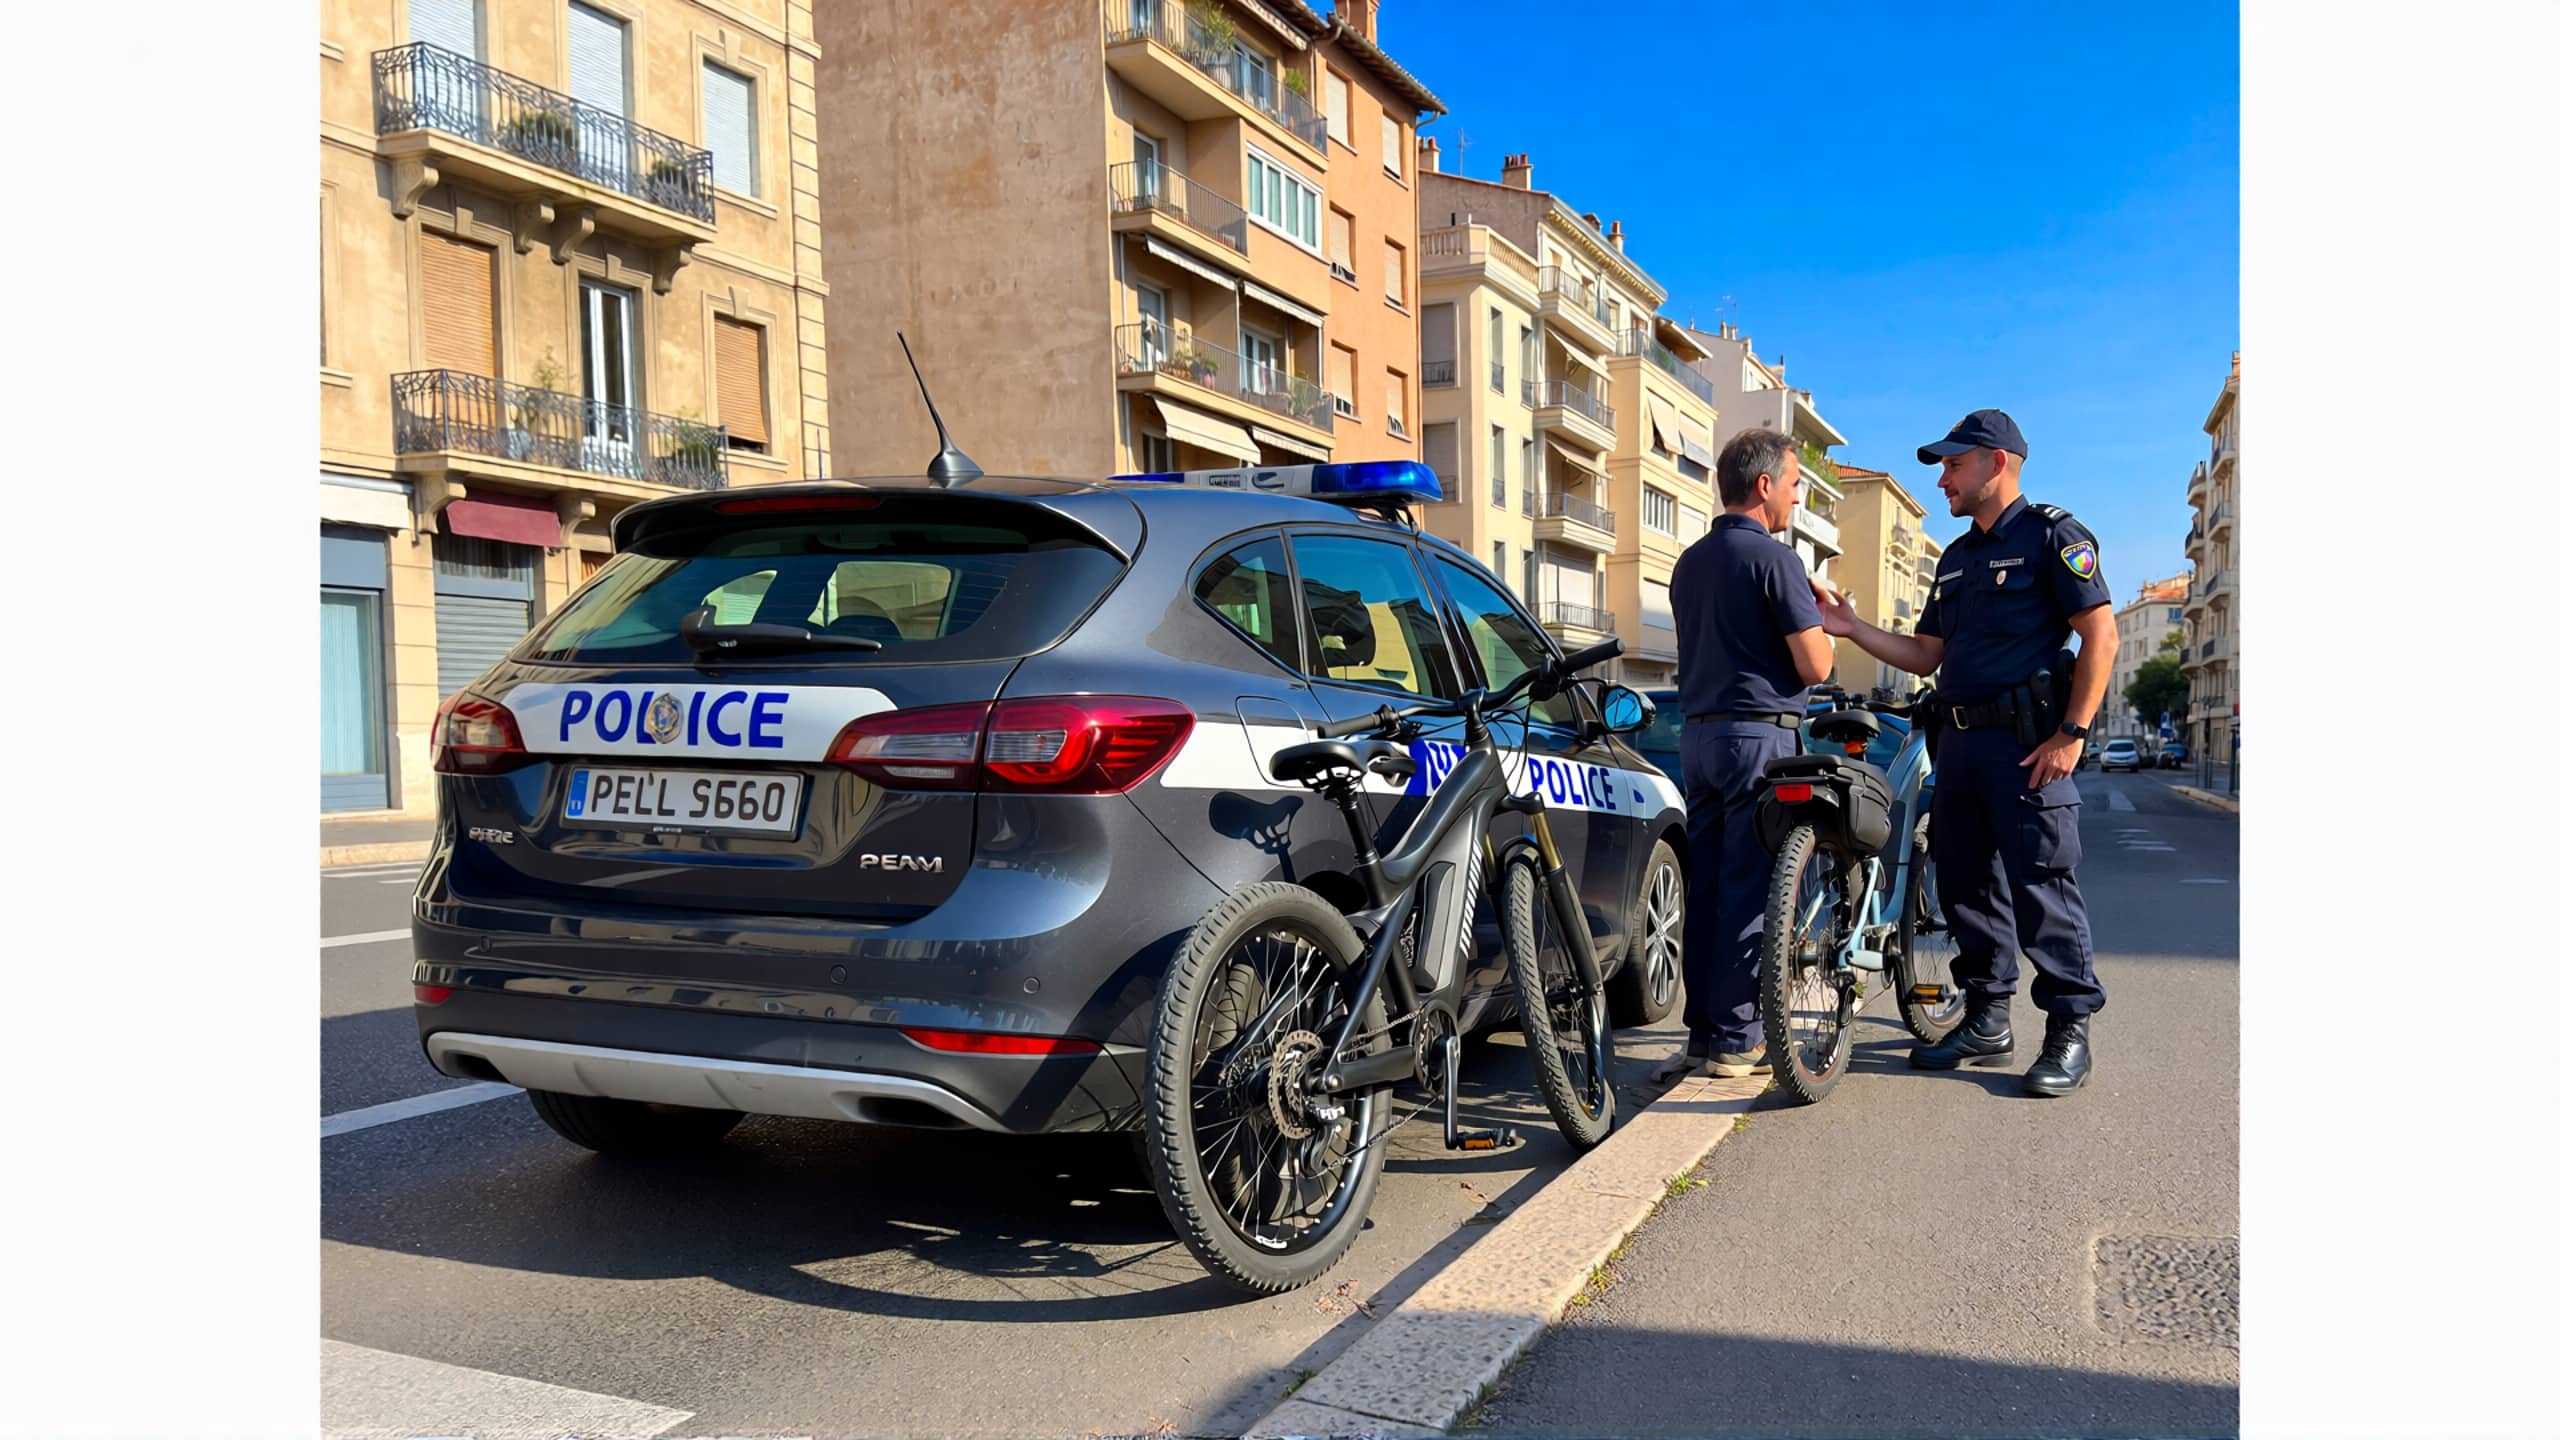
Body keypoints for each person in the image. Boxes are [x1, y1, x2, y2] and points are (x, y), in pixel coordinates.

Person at [1814, 409, 2117, 1096]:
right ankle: (1987, 1018)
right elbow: (1929, 654)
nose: (1943, 479)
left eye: (1953, 464)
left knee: (2043, 885)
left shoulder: (2053, 537)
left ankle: (2069, 1031)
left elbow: (2100, 637)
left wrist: (2070, 736)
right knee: (1965, 887)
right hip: (1960, 745)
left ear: (1996, 463)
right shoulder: (1955, 559)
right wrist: (1852, 628)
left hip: (2027, 745)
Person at [1657, 427, 1839, 1081]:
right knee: (1750, 889)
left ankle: (1703, 1035)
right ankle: (1737, 1042)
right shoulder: (1776, 561)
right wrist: (1828, 628)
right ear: (1763, 486)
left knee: (1704, 887)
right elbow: (1815, 663)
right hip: (1758, 737)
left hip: (1697, 737)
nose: (1794, 498)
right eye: (1793, 484)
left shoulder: (1689, 562)